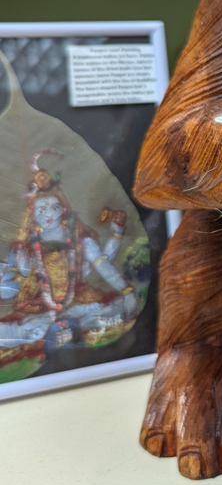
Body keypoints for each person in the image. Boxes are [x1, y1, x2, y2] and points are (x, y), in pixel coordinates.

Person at [0, 151, 139, 357]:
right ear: (32, 215)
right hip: (42, 309)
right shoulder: (26, 248)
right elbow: (7, 290)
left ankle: (70, 328)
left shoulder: (81, 241)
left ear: (63, 209)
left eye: (52, 207)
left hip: (80, 303)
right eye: (40, 209)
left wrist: (127, 291)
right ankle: (54, 331)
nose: (47, 214)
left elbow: (105, 268)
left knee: (116, 308)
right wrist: (18, 270)